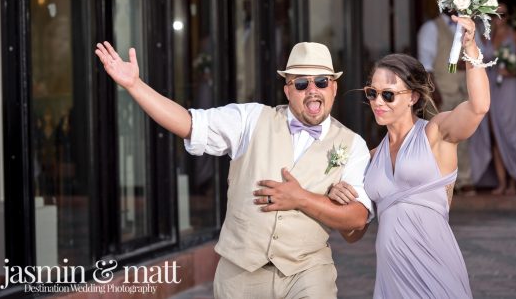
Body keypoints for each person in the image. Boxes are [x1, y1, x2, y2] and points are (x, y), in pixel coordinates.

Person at [94, 41, 372, 299]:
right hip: (241, 271)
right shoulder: (251, 119)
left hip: (307, 272)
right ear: (287, 90)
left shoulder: (352, 145)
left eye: (321, 81)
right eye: (301, 83)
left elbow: (358, 219)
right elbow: (189, 123)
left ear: (333, 87)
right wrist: (135, 85)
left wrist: (300, 198)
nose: (312, 90)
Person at [329, 15, 489, 298]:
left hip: (435, 268)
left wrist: (471, 48)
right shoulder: (370, 157)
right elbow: (353, 234)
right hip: (391, 278)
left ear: (413, 97)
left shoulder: (436, 133)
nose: (378, 102)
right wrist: (339, 199)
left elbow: (478, 108)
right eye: (372, 93)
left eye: (388, 95)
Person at [417, 11, 475, 195]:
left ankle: (463, 179)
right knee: (436, 137)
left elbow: (477, 55)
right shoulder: (431, 28)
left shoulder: (467, 26)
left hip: (463, 91)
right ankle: (437, 182)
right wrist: (433, 93)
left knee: (462, 136)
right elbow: (426, 65)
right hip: (441, 91)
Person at [469, 0, 516, 194]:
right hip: (489, 86)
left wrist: (513, 72)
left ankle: (515, 180)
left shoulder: (515, 36)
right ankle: (502, 182)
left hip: (509, 87)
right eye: (493, 14)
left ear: (509, 17)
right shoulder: (484, 37)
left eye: (503, 14)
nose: (498, 18)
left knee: (511, 132)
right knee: (494, 133)